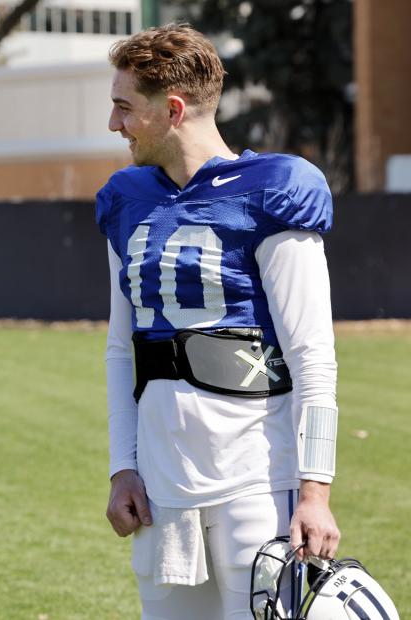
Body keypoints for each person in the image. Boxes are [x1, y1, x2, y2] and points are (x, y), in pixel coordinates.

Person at [95, 24, 340, 619]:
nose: (114, 125)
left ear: (172, 110)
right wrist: (122, 468)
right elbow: (122, 350)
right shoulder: (127, 197)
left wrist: (314, 491)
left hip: (254, 480)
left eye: (124, 107)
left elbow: (312, 352)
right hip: (159, 487)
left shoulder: (273, 189)